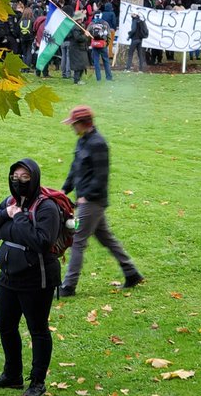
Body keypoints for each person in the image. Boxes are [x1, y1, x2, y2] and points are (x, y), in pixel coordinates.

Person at [0, 158, 60, 396]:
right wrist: (6, 212)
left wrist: (17, 219)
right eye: (15, 177)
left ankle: (37, 381)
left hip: (36, 279)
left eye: (24, 177)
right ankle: (12, 375)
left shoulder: (47, 208)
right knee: (5, 325)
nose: (19, 182)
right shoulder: (9, 202)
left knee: (37, 329)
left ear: (34, 178)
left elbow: (40, 241)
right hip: (7, 277)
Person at [57, 105, 142, 297]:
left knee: (78, 240)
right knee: (107, 238)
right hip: (87, 200)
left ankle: (68, 287)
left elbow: (101, 176)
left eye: (74, 124)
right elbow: (75, 168)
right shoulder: (82, 141)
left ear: (83, 123)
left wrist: (86, 196)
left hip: (92, 202)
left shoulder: (98, 143)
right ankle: (132, 273)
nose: (72, 127)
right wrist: (64, 189)